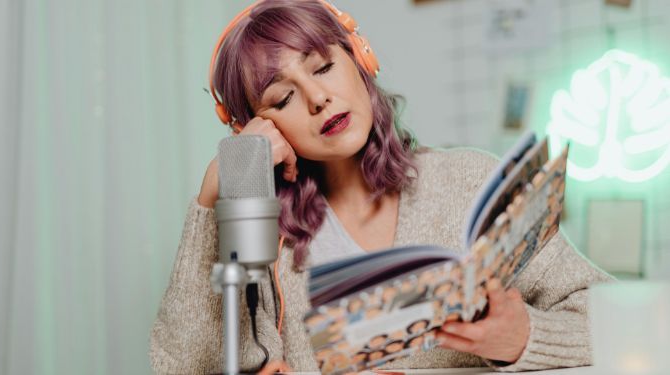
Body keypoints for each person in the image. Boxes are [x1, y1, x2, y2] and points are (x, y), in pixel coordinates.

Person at [149, 1, 612, 373]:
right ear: (255, 129)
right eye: (283, 97)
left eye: (323, 67)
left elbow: (608, 317)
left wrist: (524, 338)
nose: (316, 99)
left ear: (359, 59)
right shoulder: (265, 239)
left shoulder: (471, 181)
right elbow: (183, 367)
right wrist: (213, 194)